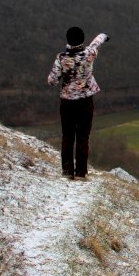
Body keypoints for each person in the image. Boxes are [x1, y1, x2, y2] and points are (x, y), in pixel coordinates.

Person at [47, 27, 109, 180]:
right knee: (83, 137)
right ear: (82, 40)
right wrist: (103, 36)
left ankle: (67, 171)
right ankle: (81, 173)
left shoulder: (61, 58)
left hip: (67, 102)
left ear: (68, 40)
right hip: (85, 102)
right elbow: (96, 43)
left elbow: (52, 81)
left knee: (67, 137)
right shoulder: (89, 55)